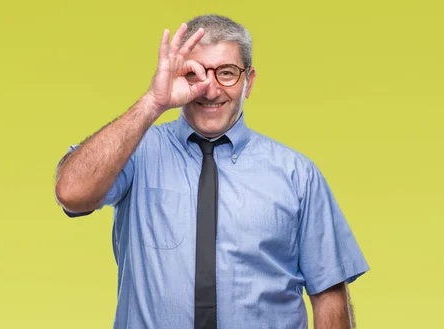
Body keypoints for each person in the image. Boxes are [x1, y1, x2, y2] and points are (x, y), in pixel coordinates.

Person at [54, 14, 369, 329]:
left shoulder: (297, 175)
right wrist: (152, 102)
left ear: (249, 82)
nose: (210, 89)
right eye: (195, 73)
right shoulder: (136, 152)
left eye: (227, 73)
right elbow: (72, 194)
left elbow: (329, 294)